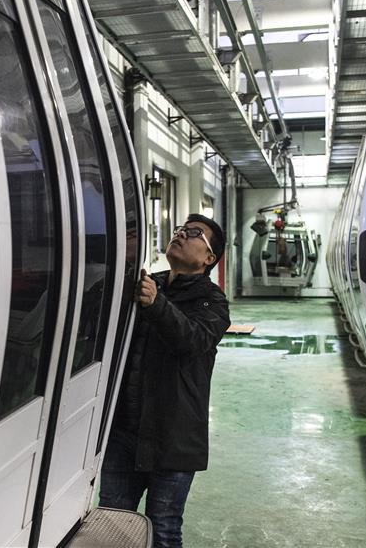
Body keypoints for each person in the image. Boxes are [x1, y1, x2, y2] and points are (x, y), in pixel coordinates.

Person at [99, 213, 230, 548]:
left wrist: (156, 303)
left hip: (173, 438)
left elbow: (193, 340)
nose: (181, 234)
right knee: (112, 524)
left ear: (209, 258)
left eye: (194, 233)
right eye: (180, 229)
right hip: (124, 433)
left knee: (164, 529)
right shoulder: (146, 284)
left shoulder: (212, 302)